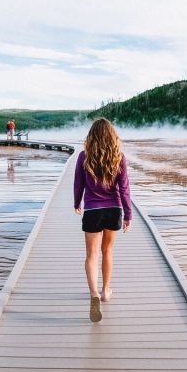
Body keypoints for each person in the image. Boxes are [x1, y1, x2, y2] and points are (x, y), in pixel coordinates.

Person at [73, 117, 131, 323]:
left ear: (92, 136)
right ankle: (106, 291)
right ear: (111, 136)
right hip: (114, 209)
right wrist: (128, 213)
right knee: (108, 251)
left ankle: (94, 294)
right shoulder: (119, 157)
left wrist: (76, 202)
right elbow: (124, 189)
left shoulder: (83, 156)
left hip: (92, 210)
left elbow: (78, 183)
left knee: (91, 255)